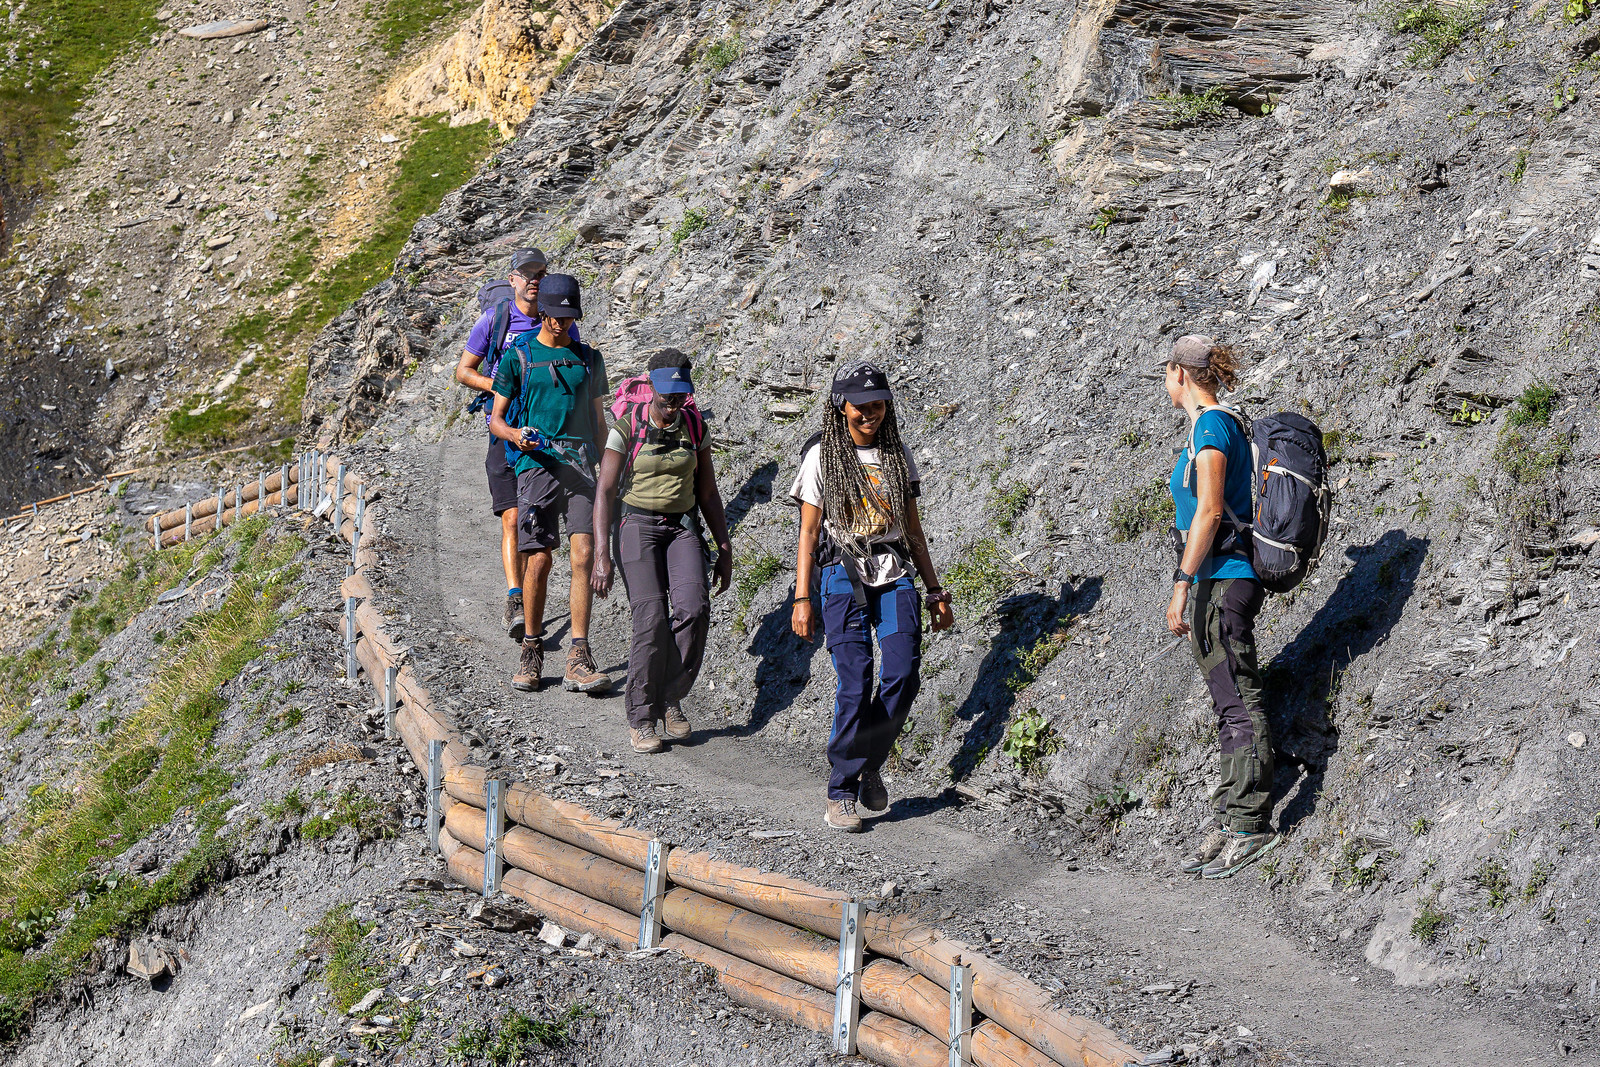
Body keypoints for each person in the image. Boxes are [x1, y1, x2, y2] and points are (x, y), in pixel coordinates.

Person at [790, 359, 955, 833]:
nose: (870, 414)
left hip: (895, 571)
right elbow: (808, 533)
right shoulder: (823, 457)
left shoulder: (897, 454)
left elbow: (914, 529)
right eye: (860, 406)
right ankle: (840, 791)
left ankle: (868, 762)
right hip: (843, 576)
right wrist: (803, 598)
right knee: (856, 682)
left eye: (878, 404)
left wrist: (933, 588)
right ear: (841, 406)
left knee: (903, 673)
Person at [1161, 334, 1281, 879]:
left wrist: (1182, 582)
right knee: (1227, 698)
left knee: (1239, 696)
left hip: (1225, 576)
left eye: (1166, 374)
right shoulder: (1217, 424)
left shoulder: (1211, 426)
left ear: (1179, 374)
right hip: (1222, 576)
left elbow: (1209, 512)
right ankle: (1235, 814)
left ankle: (1251, 824)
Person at [591, 349, 733, 753]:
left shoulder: (694, 425)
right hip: (637, 526)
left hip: (682, 527)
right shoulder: (626, 428)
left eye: (679, 396)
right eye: (666, 395)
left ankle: (670, 696)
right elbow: (603, 491)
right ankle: (641, 716)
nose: (672, 404)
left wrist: (723, 546)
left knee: (693, 609)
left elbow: (707, 491)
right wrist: (602, 554)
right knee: (651, 618)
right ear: (651, 387)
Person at [488, 273, 611, 695]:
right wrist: (516, 436)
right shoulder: (518, 357)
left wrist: (610, 470)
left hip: (579, 466)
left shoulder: (589, 360)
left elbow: (599, 423)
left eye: (569, 317)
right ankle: (532, 648)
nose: (561, 324)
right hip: (535, 464)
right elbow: (497, 419)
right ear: (543, 312)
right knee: (538, 559)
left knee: (584, 553)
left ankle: (579, 653)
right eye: (555, 316)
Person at [455, 248, 579, 643]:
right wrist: (504, 385)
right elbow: (464, 371)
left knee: (532, 523)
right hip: (503, 428)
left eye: (540, 272)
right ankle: (515, 596)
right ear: (511, 279)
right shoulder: (495, 320)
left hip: (548, 437)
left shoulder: (559, 321)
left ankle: (528, 598)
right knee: (511, 517)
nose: (534, 280)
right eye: (526, 273)